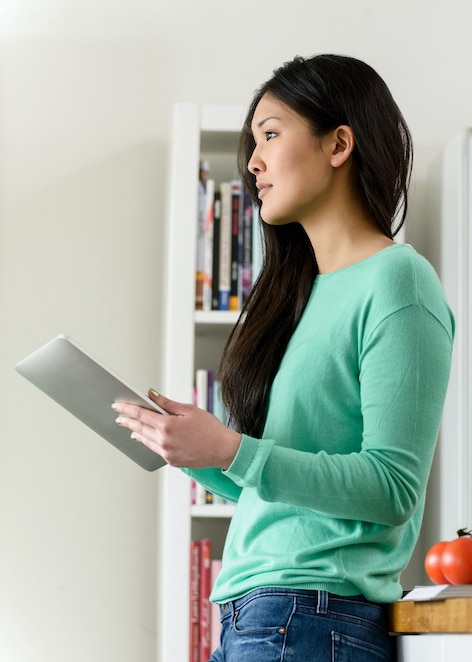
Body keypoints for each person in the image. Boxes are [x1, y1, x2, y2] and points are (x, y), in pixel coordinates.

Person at [113, 54, 454, 661]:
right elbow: (277, 491)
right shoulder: (301, 296)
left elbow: (392, 486)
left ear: (338, 144)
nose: (253, 161)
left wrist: (234, 451)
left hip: (312, 613)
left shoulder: (399, 281)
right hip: (257, 614)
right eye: (252, 143)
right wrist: (188, 449)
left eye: (270, 134)